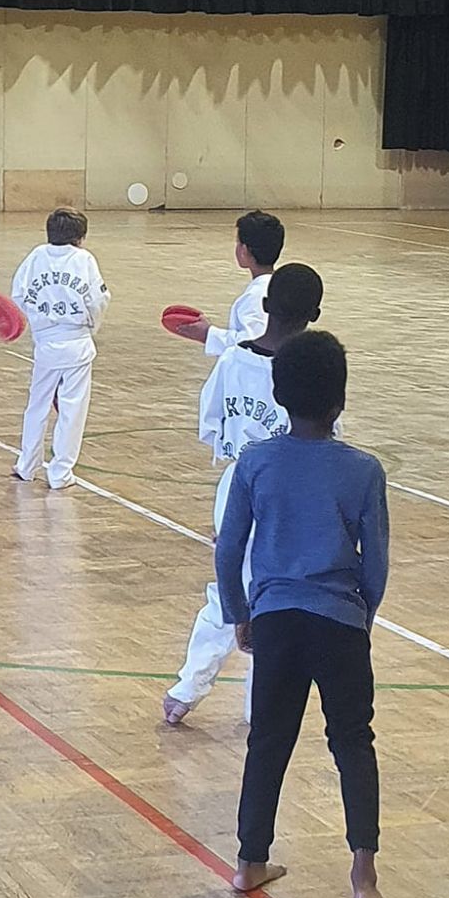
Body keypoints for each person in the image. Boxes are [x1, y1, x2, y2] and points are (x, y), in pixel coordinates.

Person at [216, 331, 390, 898]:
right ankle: (363, 874)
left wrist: (240, 613)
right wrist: (362, 615)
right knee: (353, 741)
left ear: (279, 394)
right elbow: (377, 563)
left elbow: (228, 549)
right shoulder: (363, 471)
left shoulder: (255, 461)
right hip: (340, 621)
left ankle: (249, 861)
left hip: (275, 619)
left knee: (268, 739)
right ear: (340, 400)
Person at [163, 263, 326, 727]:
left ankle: (193, 689)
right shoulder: (311, 368)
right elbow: (325, 435)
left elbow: (209, 423)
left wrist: (238, 449)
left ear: (266, 304)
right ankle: (239, 700)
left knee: (230, 586)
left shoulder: (233, 359)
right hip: (291, 493)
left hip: (236, 483)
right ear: (315, 314)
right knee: (276, 597)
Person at [11, 209, 111, 491]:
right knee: (72, 409)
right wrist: (91, 326)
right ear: (80, 237)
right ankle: (60, 472)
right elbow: (98, 299)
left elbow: (19, 293)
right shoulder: (84, 259)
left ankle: (26, 465)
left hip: (45, 343)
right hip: (76, 342)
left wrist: (37, 321)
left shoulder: (36, 256)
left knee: (37, 404)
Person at [169, 210, 286, 356]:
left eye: (238, 242)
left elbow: (254, 343)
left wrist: (208, 334)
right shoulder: (278, 286)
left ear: (244, 250)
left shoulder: (256, 295)